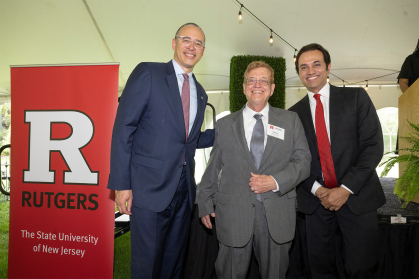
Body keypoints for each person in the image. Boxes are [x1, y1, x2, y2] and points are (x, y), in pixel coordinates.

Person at [107, 23, 215, 279]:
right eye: (186, 40)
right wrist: (122, 185)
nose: (192, 47)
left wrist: (233, 129)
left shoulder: (200, 92)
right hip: (148, 190)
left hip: (184, 193)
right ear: (174, 42)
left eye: (198, 43)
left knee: (174, 265)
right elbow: (124, 128)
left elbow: (189, 139)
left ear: (202, 51)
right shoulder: (149, 73)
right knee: (147, 267)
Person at [198, 61, 311, 279]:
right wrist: (204, 202)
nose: (257, 85)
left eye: (263, 80)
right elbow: (213, 166)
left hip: (277, 214)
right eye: (252, 80)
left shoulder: (290, 120)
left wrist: (275, 181)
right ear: (243, 87)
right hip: (233, 214)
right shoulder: (224, 124)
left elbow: (303, 160)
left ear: (272, 88)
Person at [289, 43, 386, 278]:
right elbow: (293, 159)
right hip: (316, 202)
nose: (310, 70)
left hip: (357, 196)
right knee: (320, 269)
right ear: (299, 73)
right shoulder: (292, 115)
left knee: (362, 268)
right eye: (303, 66)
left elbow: (373, 147)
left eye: (316, 64)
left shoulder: (356, 98)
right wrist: (317, 189)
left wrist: (344, 189)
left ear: (328, 67)